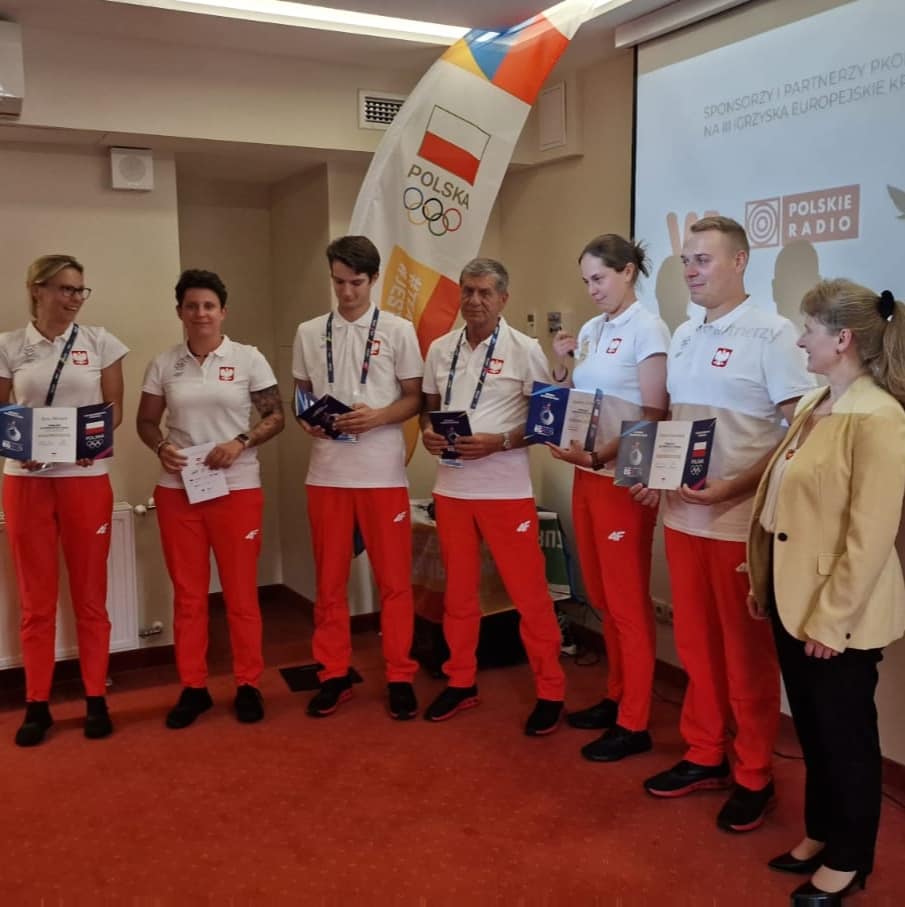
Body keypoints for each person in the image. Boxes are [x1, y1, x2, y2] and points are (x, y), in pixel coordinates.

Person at [641, 216, 814, 832]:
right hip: (683, 519)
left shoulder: (774, 333)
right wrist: (653, 472)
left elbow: (800, 432)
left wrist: (735, 487)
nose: (691, 271)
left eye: (703, 260)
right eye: (687, 260)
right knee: (694, 646)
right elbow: (673, 421)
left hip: (738, 526)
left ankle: (754, 774)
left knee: (745, 656)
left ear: (740, 262)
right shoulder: (686, 334)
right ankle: (704, 752)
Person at [748, 280, 905, 905]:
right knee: (814, 732)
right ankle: (821, 833)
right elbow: (783, 503)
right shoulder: (818, 400)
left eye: (808, 330)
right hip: (793, 601)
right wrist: (762, 578)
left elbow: (871, 537)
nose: (799, 340)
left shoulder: (880, 417)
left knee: (846, 739)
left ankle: (849, 858)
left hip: (837, 615)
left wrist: (832, 621)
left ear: (842, 339)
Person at [420, 257, 566, 735]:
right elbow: (429, 409)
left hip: (506, 492)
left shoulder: (525, 349)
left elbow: (547, 422)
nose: (474, 300)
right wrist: (428, 433)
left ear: (503, 299)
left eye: (485, 292)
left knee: (529, 596)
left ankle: (550, 690)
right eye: (468, 291)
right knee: (459, 595)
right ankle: (461, 681)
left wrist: (500, 441)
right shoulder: (440, 349)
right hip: (452, 489)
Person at [137, 269, 284, 729]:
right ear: (180, 311)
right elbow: (145, 422)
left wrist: (241, 442)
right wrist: (161, 447)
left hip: (237, 488)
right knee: (188, 595)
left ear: (223, 311)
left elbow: (276, 416)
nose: (200, 314)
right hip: (179, 490)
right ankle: (193, 687)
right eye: (191, 306)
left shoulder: (248, 358)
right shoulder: (164, 363)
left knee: (240, 593)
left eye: (209, 306)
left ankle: (248, 683)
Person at [547, 234, 669, 761]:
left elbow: (654, 415)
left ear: (627, 273)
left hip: (621, 478)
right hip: (588, 474)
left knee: (626, 600)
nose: (592, 289)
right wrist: (560, 364)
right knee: (599, 593)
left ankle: (635, 721)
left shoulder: (649, 328)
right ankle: (617, 694)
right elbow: (579, 398)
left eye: (599, 278)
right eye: (586, 281)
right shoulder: (593, 330)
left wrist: (603, 456)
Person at [292, 236, 422, 720]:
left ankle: (400, 675)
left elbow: (415, 397)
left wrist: (379, 416)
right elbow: (301, 394)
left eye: (357, 283)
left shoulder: (398, 330)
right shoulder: (309, 331)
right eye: (339, 282)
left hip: (382, 473)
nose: (347, 293)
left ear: (374, 279)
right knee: (329, 582)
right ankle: (333, 673)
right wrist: (305, 418)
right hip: (327, 473)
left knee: (394, 582)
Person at [0, 254, 128, 746]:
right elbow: (2, 413)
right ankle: (37, 703)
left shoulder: (101, 342)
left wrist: (87, 443)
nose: (75, 298)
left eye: (80, 290)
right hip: (26, 480)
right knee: (35, 599)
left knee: (90, 595)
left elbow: (113, 412)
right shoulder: (10, 345)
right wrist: (19, 448)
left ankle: (96, 697)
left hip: (85, 477)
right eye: (65, 289)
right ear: (37, 289)